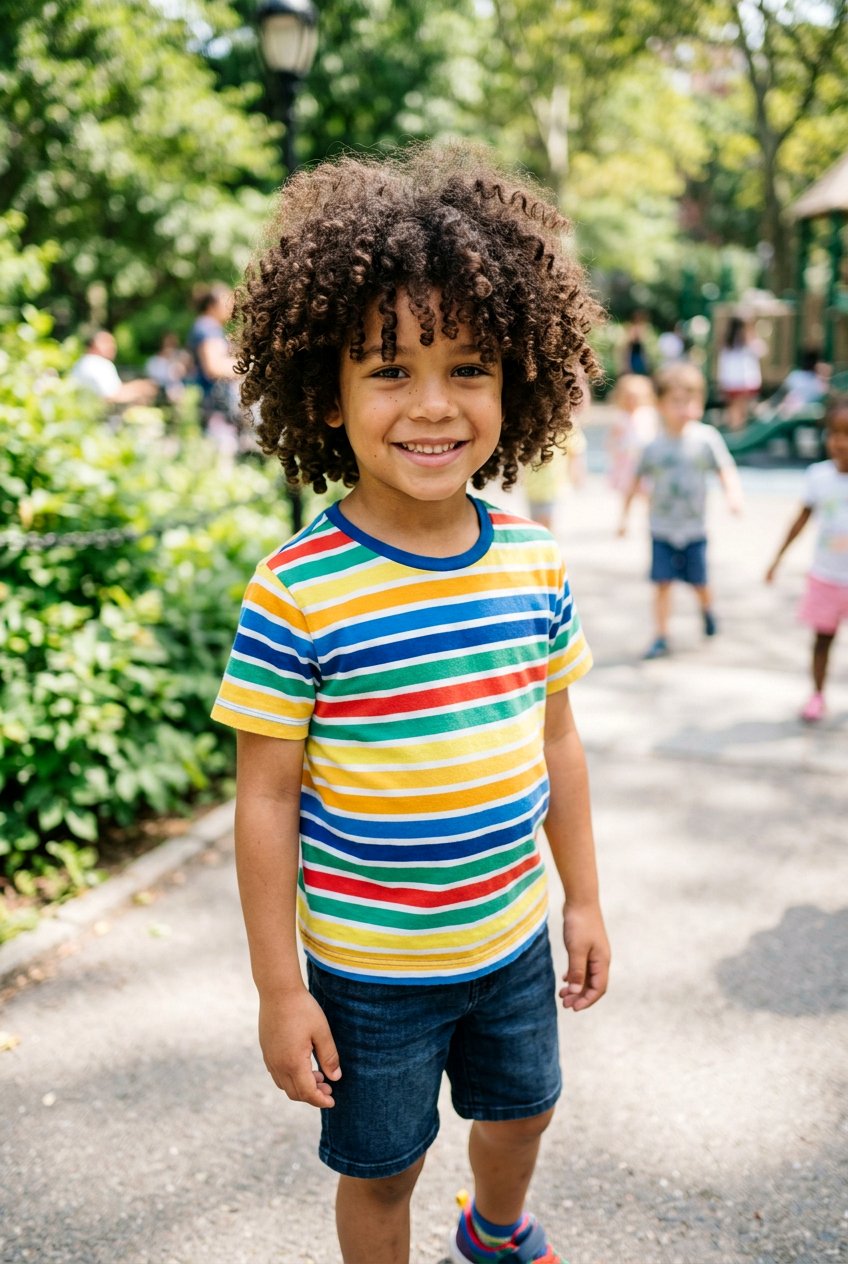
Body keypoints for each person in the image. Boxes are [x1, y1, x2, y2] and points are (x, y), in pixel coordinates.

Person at [211, 143, 610, 1264]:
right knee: (380, 1170)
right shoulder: (298, 587)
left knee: (523, 1109)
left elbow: (558, 743)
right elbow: (264, 801)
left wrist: (580, 898)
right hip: (366, 973)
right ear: (325, 393)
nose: (431, 406)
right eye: (388, 370)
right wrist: (277, 989)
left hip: (507, 941)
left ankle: (492, 1230)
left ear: (515, 382)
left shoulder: (532, 562)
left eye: (468, 368)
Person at [619, 361, 743, 660]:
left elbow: (725, 468)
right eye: (676, 401)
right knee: (662, 584)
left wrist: (733, 495)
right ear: (660, 405)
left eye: (690, 400)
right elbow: (635, 480)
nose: (684, 407)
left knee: (699, 582)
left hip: (694, 529)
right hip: (661, 527)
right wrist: (623, 517)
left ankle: (707, 608)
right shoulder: (654, 447)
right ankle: (661, 635)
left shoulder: (706, 439)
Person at [765, 396, 848, 722]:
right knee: (822, 640)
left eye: (847, 434)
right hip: (826, 578)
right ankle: (817, 694)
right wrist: (777, 559)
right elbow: (799, 521)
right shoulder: (819, 477)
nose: (840, 442)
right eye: (834, 433)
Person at [186, 283, 240, 456]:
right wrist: (249, 367)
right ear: (212, 306)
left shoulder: (206, 327)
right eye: (226, 302)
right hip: (213, 404)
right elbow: (214, 367)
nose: (231, 307)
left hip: (212, 402)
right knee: (220, 454)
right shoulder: (207, 328)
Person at [606, 373, 657, 504]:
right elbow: (611, 440)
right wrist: (616, 452)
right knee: (628, 493)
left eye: (635, 398)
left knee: (647, 493)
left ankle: (651, 517)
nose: (632, 401)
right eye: (629, 397)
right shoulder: (621, 417)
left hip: (645, 459)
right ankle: (623, 521)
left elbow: (654, 434)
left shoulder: (648, 414)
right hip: (627, 461)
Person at [69, 330, 156, 406]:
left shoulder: (80, 363)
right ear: (94, 345)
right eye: (107, 342)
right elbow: (112, 395)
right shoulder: (99, 364)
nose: (112, 347)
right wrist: (140, 388)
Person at [716, 314, 766, 431]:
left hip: (739, 381)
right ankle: (737, 432)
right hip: (737, 382)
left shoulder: (745, 343)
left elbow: (761, 351)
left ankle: (738, 431)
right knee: (736, 409)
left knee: (741, 409)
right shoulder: (730, 344)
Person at [755, 348, 830, 420]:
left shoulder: (818, 383)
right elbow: (781, 394)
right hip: (785, 407)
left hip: (796, 411)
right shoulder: (797, 376)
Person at [145, 331, 189, 403]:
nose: (170, 346)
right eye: (168, 343)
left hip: (178, 395)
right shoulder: (153, 361)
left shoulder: (181, 358)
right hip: (157, 395)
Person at [618, 309, 652, 377]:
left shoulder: (642, 328)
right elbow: (627, 347)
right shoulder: (631, 328)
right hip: (633, 357)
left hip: (639, 356)